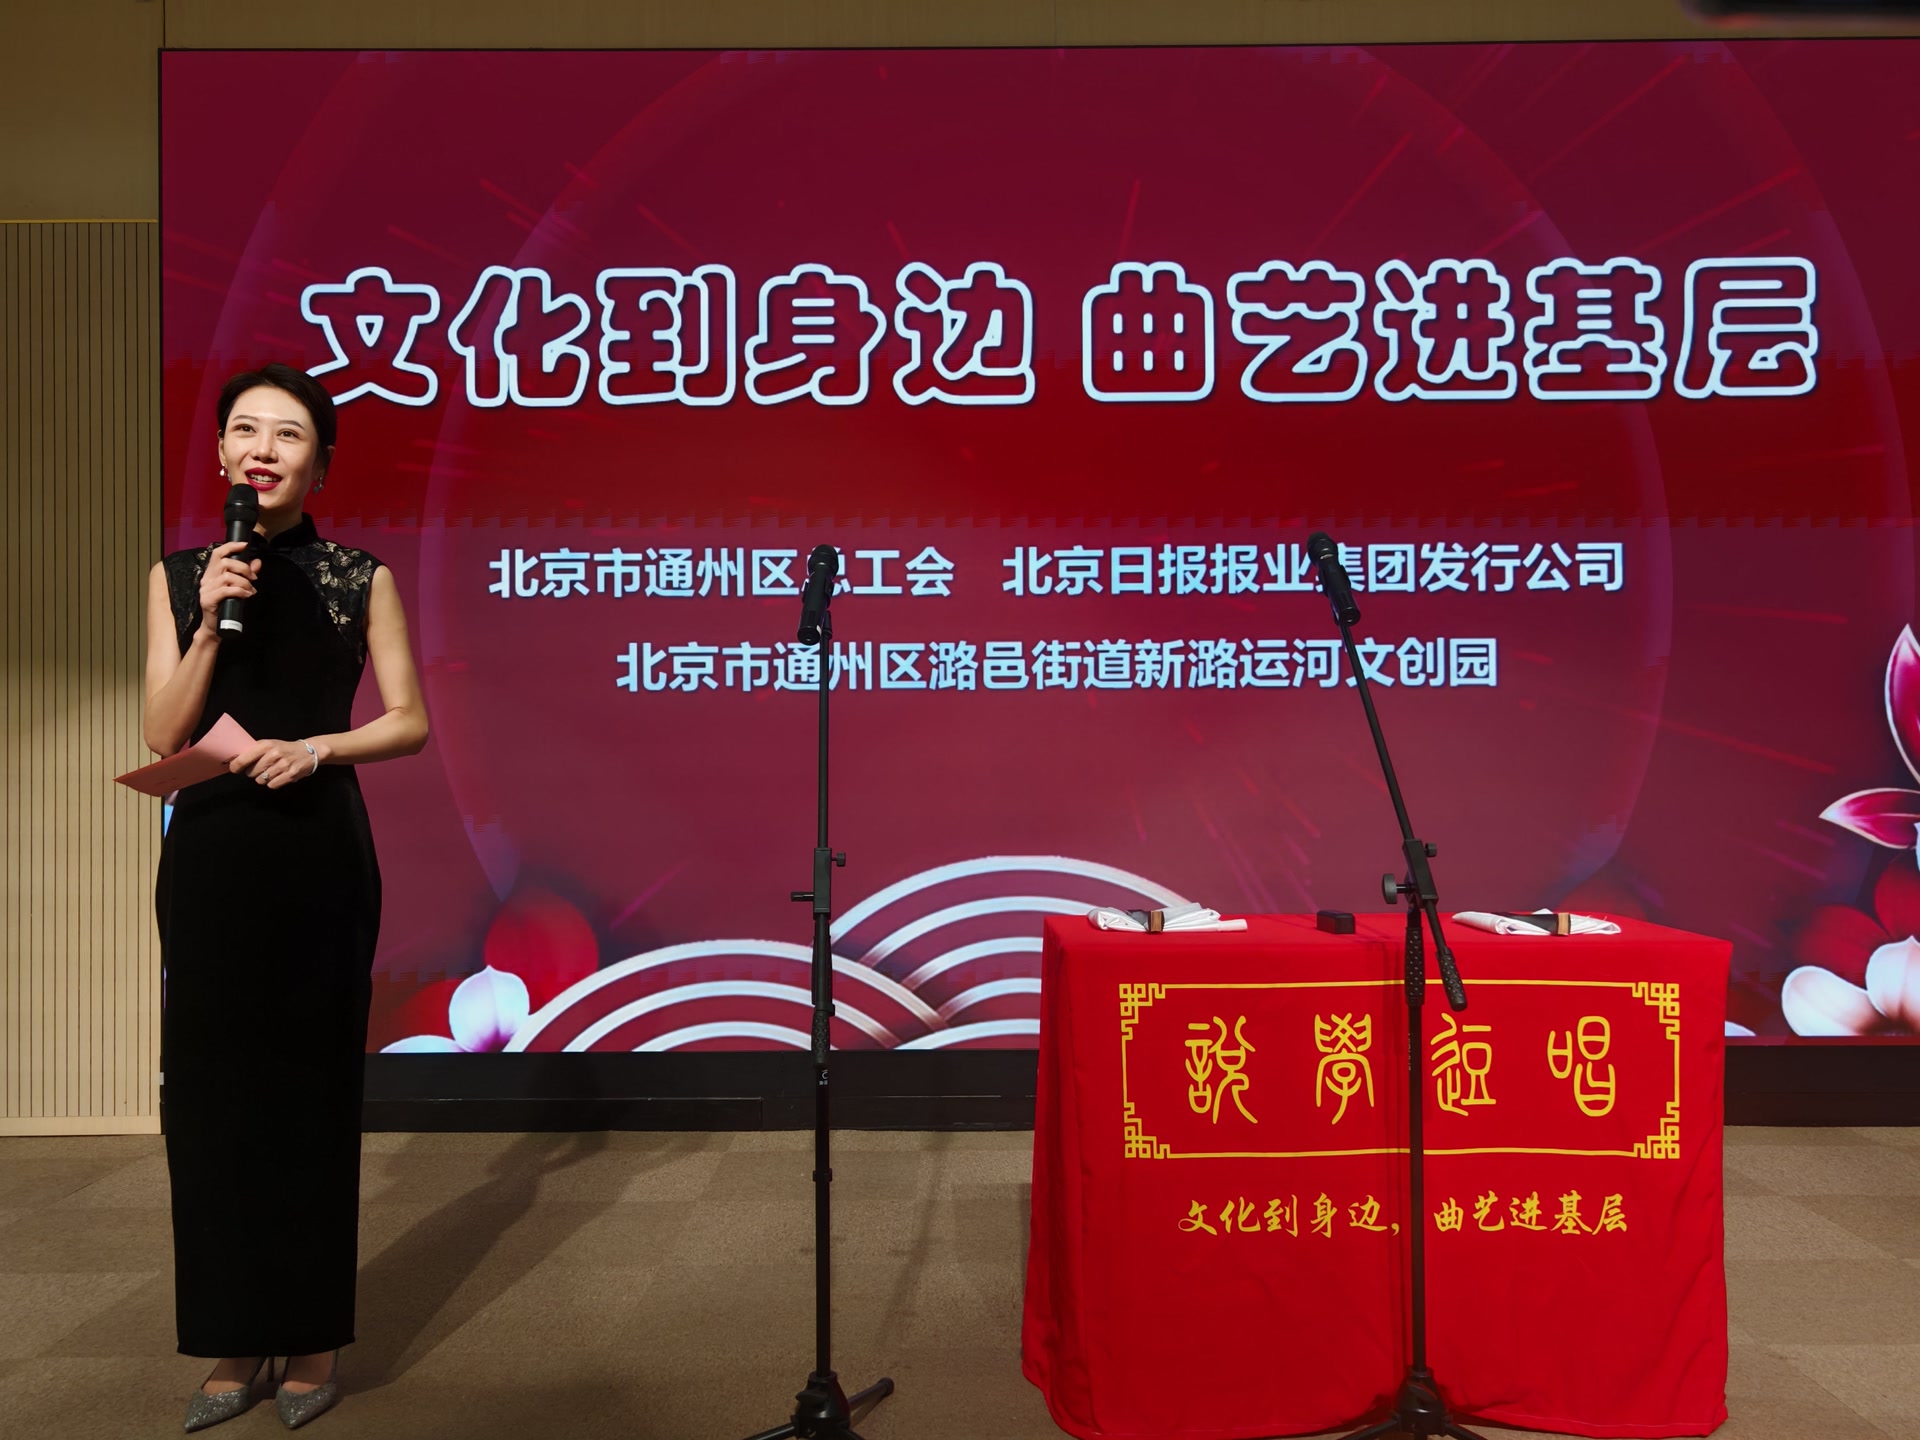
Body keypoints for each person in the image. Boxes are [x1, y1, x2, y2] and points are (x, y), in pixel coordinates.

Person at [144, 363, 428, 1430]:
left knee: (307, 1095)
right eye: (246, 431)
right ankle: (232, 1335)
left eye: (289, 434)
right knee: (210, 1098)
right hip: (213, 854)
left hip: (318, 851)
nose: (264, 449)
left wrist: (316, 748)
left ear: (321, 463)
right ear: (221, 451)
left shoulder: (360, 577)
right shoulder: (181, 576)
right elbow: (162, 732)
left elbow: (408, 720)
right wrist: (208, 622)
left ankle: (309, 1339)